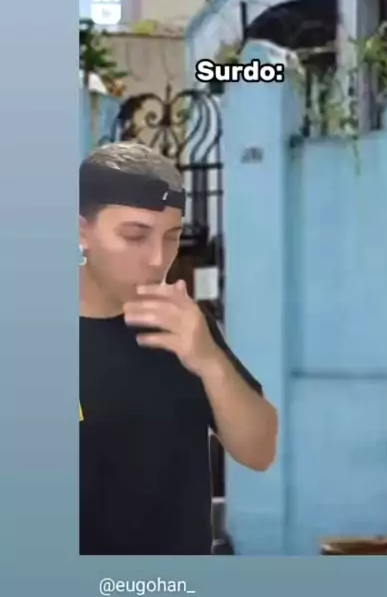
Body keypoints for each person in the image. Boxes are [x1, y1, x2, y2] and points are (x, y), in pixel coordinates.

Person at [79, 142, 278, 555]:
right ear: (82, 231)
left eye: (171, 238)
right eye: (135, 236)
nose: (158, 259)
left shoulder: (184, 324)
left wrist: (209, 362)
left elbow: (260, 452)